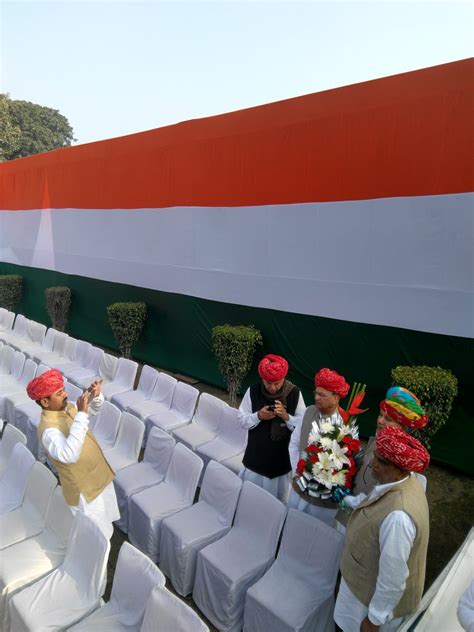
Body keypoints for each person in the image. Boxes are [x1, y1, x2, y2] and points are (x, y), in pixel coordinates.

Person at [334, 426, 430, 632]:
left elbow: (393, 578)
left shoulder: (399, 517)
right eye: (376, 456)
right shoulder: (398, 483)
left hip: (363, 608)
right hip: (360, 590)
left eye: (382, 462)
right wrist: (347, 499)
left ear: (401, 470)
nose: (373, 464)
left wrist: (374, 620)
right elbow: (372, 503)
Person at [27, 368, 119, 539]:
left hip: (98, 476)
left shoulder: (68, 408)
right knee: (96, 536)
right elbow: (69, 455)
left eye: (63, 390)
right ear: (45, 402)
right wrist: (82, 413)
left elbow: (94, 410)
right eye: (59, 393)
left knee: (106, 523)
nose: (65, 395)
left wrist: (95, 396)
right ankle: (96, 564)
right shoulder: (48, 430)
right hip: (84, 491)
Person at [335, 386, 429, 529]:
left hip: (364, 523)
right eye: (380, 415)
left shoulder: (401, 462)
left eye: (388, 419)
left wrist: (348, 500)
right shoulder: (375, 441)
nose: (380, 421)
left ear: (404, 429)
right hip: (346, 515)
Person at [238, 353, 305, 502]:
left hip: (280, 463)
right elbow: (241, 420)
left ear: (284, 378)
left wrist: (286, 417)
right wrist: (258, 416)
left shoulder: (294, 393)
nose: (273, 387)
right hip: (255, 459)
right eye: (268, 383)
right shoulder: (253, 391)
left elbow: (302, 427)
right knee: (249, 500)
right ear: (262, 378)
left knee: (276, 503)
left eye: (277, 383)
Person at [288, 367, 350, 525]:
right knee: (291, 521)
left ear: (336, 397)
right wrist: (297, 473)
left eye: (322, 395)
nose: (316, 397)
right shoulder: (308, 412)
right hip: (298, 482)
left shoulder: (342, 426)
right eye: (316, 392)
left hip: (320, 496)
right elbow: (294, 444)